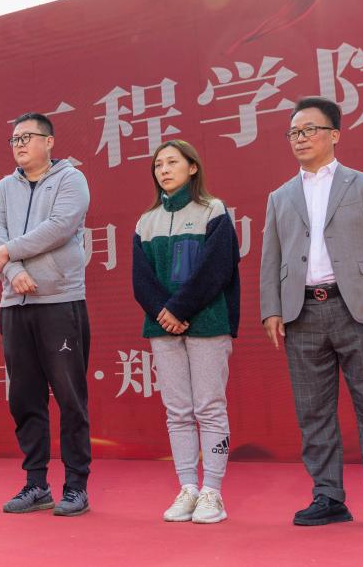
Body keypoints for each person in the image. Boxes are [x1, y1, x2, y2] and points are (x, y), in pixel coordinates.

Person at [259, 96, 363, 531]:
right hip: (301, 313)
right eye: (294, 132)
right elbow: (271, 258)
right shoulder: (280, 196)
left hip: (357, 310)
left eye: (309, 130)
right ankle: (327, 496)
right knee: (313, 412)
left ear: (334, 135)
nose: (300, 138)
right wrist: (271, 309)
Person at [0, 112, 92, 517]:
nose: (19, 144)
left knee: (70, 398)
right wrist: (14, 273)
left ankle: (76, 485)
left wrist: (10, 253)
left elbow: (60, 227)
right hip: (14, 303)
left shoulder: (71, 179)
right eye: (14, 139)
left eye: (27, 137)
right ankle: (36, 483)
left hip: (60, 300)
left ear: (49, 142)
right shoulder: (3, 187)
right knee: (24, 397)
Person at [131, 140, 240, 524]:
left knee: (209, 408)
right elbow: (141, 281)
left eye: (172, 162)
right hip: (163, 329)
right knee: (177, 412)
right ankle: (188, 488)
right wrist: (166, 314)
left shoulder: (213, 211)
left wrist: (178, 309)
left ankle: (213, 491)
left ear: (193, 167)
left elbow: (217, 270)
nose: (163, 169)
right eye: (158, 164)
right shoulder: (146, 222)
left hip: (208, 324)